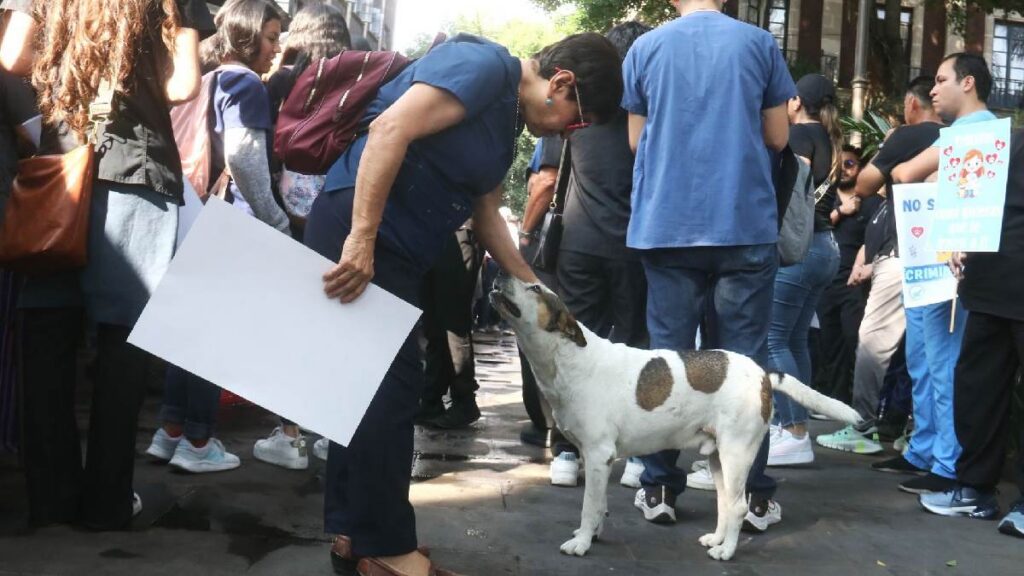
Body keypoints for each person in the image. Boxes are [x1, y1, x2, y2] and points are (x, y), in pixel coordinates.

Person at [305, 32, 622, 576]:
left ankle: (354, 538)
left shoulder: (504, 118)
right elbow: (388, 129)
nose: (570, 134)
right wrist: (360, 237)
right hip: (365, 233)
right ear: (561, 83)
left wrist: (538, 289)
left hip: (397, 246)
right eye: (575, 120)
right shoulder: (483, 66)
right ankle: (386, 547)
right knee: (392, 387)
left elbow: (486, 216)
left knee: (364, 391)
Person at [0, 0, 212, 528]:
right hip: (138, 167)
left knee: (46, 333)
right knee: (123, 343)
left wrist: (75, 71)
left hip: (60, 169)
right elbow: (184, 85)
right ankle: (107, 504)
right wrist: (128, 83)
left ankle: (51, 500)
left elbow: (11, 56)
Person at [622, 0, 794, 532]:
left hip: (666, 223)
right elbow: (778, 137)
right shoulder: (759, 43)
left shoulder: (645, 47)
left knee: (667, 361)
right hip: (742, 221)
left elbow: (635, 140)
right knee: (745, 365)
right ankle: (750, 497)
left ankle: (658, 488)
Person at [144, 0, 291, 474]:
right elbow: (245, 157)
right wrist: (275, 219)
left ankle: (170, 432)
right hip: (228, 218)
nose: (276, 48)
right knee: (212, 335)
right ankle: (199, 441)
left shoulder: (207, 78)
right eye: (270, 38)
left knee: (188, 331)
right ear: (248, 37)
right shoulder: (245, 83)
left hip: (193, 209)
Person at [544, 21, 651, 489]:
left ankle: (567, 450)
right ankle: (635, 455)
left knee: (574, 346)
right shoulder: (646, 112)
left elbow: (548, 177)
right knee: (633, 349)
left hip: (580, 245)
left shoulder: (576, 111)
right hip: (633, 245)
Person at [890, 55, 1001, 501]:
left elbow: (904, 173)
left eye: (941, 80)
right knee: (928, 362)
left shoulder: (978, 133)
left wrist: (935, 171)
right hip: (939, 261)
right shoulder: (973, 133)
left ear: (968, 83)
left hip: (951, 268)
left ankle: (946, 461)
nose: (932, 90)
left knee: (943, 366)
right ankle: (931, 453)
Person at [817, 75, 944, 456]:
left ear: (911, 106)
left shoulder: (908, 136)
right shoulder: (958, 139)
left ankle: (863, 424)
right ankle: (920, 435)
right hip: (942, 257)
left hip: (904, 254)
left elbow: (866, 184)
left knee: (873, 342)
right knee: (925, 351)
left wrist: (887, 151)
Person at [918, 129, 1024, 538]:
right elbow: (969, 198)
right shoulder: (1001, 142)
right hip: (989, 286)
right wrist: (958, 239)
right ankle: (975, 489)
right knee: (976, 391)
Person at [765, 74, 842, 467]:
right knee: (794, 340)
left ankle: (792, 429)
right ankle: (795, 428)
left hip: (801, 248)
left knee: (774, 339)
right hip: (827, 247)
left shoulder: (799, 136)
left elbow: (791, 185)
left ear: (796, 101)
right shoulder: (830, 138)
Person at [813, 145, 880, 405]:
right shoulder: (825, 197)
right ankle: (834, 399)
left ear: (861, 168)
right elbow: (806, 223)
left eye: (850, 164)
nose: (844, 169)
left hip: (856, 284)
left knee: (855, 339)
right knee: (828, 343)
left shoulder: (873, 201)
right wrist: (841, 211)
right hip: (826, 281)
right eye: (839, 165)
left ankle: (858, 402)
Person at [415, 223, 484, 430]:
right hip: (431, 230)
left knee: (453, 324)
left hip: (458, 225)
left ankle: (464, 399)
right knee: (434, 325)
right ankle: (431, 399)